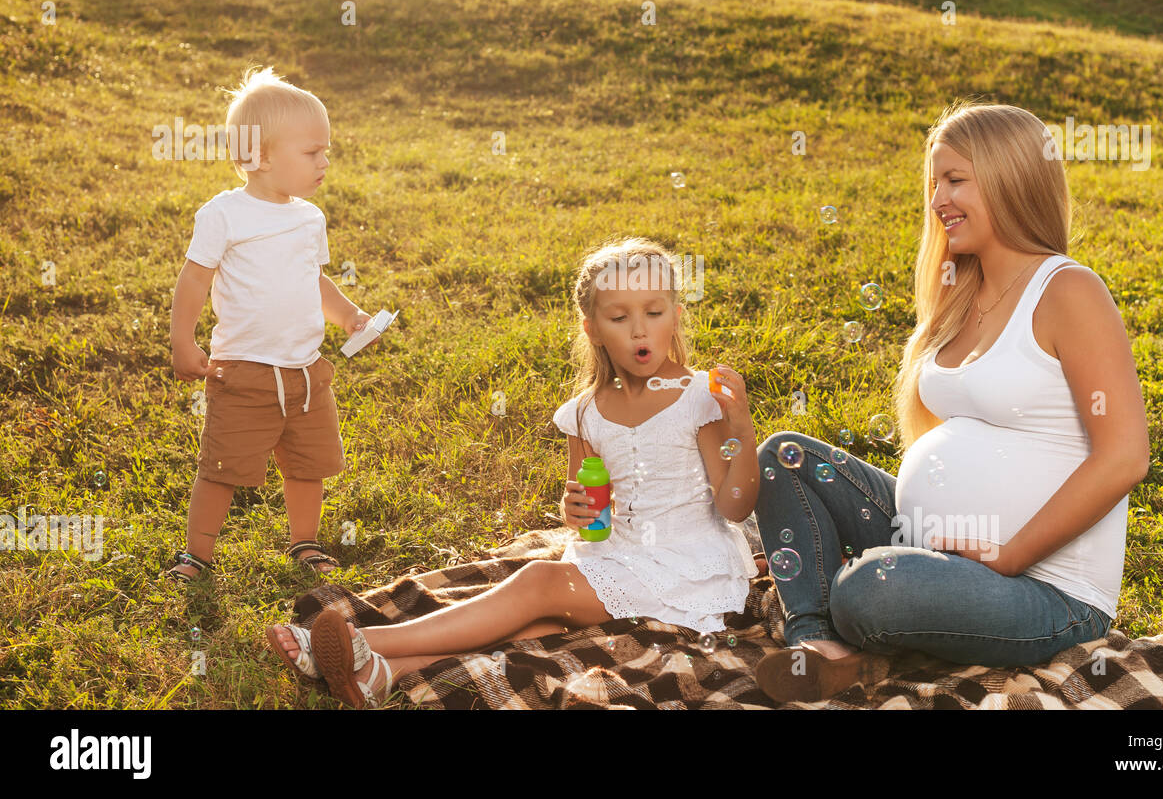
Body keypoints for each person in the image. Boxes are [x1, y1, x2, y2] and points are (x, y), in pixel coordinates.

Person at [753, 100, 1151, 702]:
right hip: (934, 546)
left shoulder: (1069, 290)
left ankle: (850, 601)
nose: (938, 199)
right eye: (934, 182)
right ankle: (818, 644)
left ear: (1011, 177)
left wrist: (1010, 554)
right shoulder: (961, 293)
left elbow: (1124, 457)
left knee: (871, 587)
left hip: (1044, 588)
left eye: (955, 179)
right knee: (783, 456)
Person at [268, 237, 761, 707]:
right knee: (535, 626)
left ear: (675, 316)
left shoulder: (699, 398)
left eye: (654, 313)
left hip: (685, 567)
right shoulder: (585, 412)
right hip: (613, 557)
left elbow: (734, 505)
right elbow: (579, 507)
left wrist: (742, 429)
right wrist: (573, 509)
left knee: (537, 586)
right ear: (592, 327)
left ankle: (357, 642)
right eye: (619, 316)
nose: (639, 330)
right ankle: (383, 675)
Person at [167, 66, 371, 584]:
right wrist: (182, 339)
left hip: (305, 373)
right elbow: (194, 281)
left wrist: (346, 313)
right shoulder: (225, 215)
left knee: (308, 465)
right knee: (222, 469)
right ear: (256, 156)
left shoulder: (309, 218)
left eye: (326, 150)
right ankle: (197, 555)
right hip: (244, 373)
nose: (325, 161)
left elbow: (313, 279)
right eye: (312, 152)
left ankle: (305, 541)